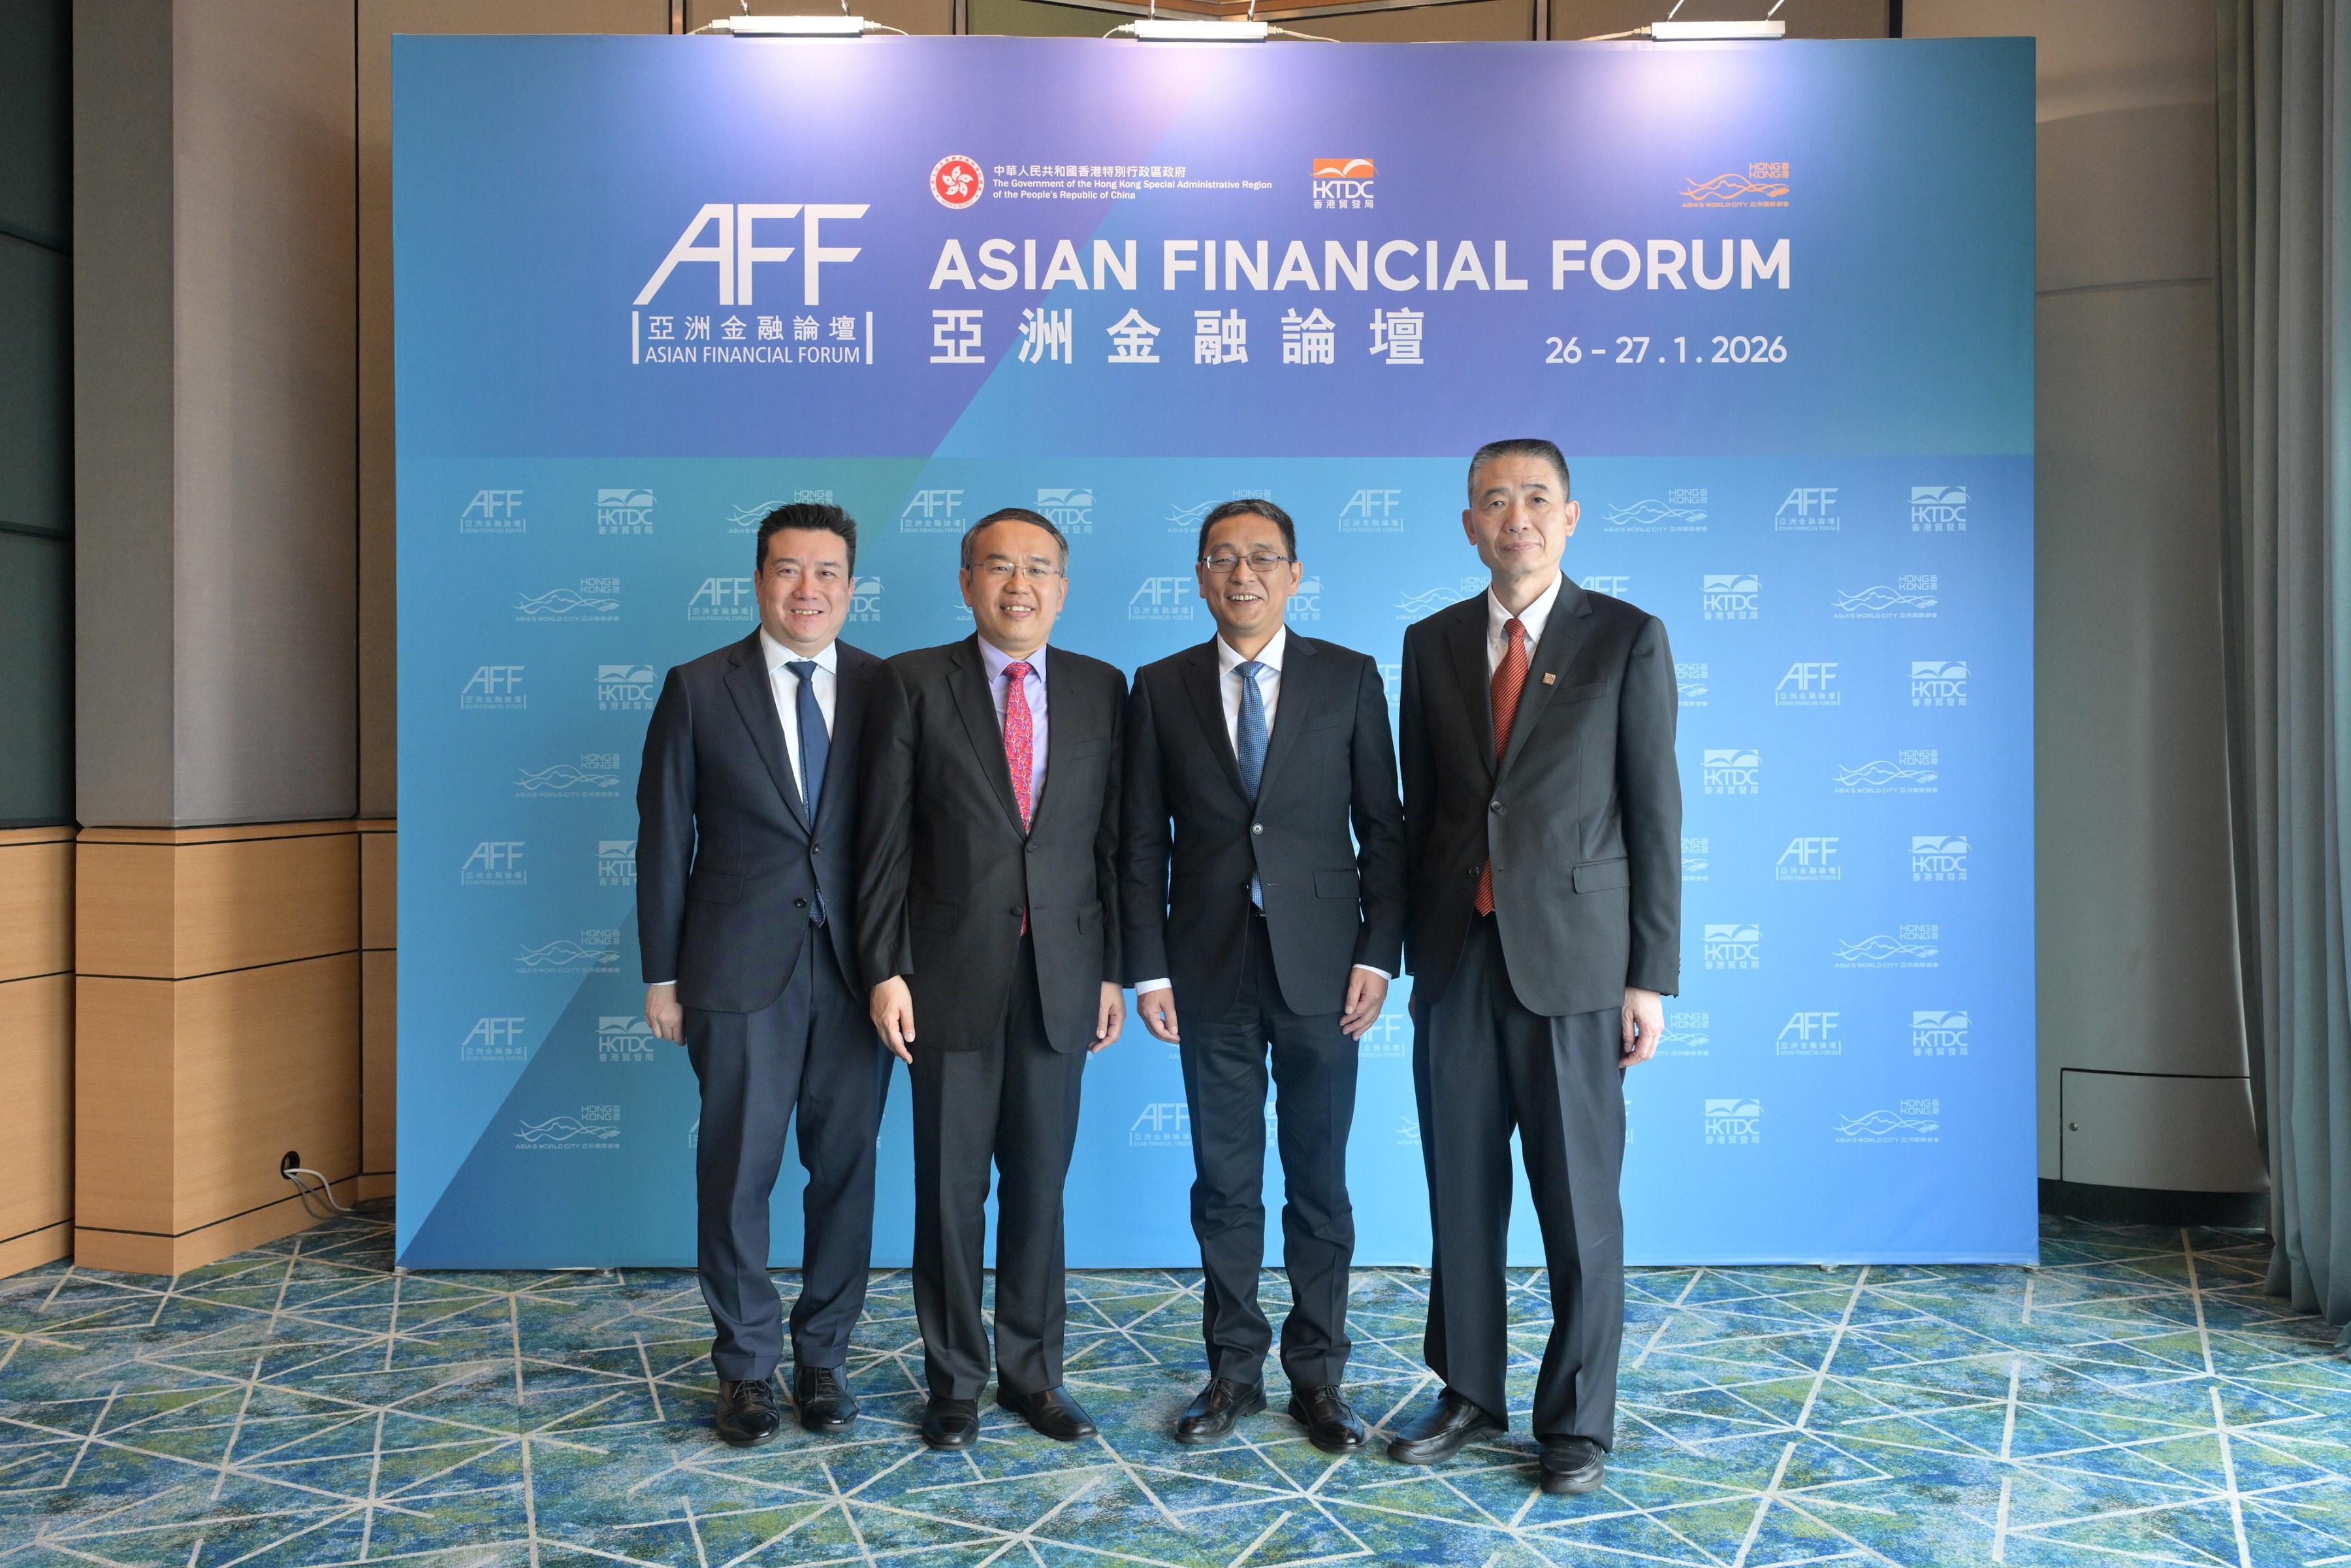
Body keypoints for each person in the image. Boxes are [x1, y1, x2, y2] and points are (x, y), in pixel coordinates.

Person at [1390, 439, 1681, 1495]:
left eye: (1535, 499)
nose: (1515, 516)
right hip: (1458, 962)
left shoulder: (1627, 639)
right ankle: (1468, 1388)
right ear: (1468, 522)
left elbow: (1655, 814)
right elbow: (1422, 812)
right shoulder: (1428, 645)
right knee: (1459, 1195)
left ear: (1570, 518)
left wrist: (1647, 976)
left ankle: (1577, 1421)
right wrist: (1405, 953)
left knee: (1578, 1204)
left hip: (1577, 968)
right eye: (1493, 500)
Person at [1120, 499, 1405, 1453]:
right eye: (1223, 558)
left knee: (1319, 1183)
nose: (1243, 574)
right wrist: (1146, 968)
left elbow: (1386, 832)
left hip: (1327, 972)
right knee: (1224, 1184)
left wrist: (1376, 953)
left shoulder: (1350, 677)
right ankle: (1231, 1372)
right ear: (1200, 576)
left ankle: (1319, 1377)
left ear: (1295, 572)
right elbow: (1136, 844)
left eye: (1263, 558)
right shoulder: (1157, 688)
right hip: (1207, 968)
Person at [856, 506, 1128, 1450]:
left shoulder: (1101, 688)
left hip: (1064, 971)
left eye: (1040, 568)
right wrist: (887, 967)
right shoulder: (912, 683)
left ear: (1063, 584)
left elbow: (1115, 847)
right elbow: (883, 842)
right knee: (949, 1188)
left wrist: (1115, 973)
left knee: (1040, 1185)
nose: (1021, 585)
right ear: (967, 581)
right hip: (946, 973)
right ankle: (956, 1380)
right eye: (1000, 567)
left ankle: (1032, 1373)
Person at [635, 502, 893, 1448]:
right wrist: (662, 975)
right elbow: (664, 840)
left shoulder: (886, 687)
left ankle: (822, 1355)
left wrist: (901, 964)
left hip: (862, 973)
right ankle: (745, 1367)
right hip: (737, 972)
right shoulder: (700, 687)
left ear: (851, 586)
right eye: (788, 570)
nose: (808, 589)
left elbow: (905, 840)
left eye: (827, 572)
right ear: (758, 580)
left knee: (847, 1175)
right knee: (737, 1174)